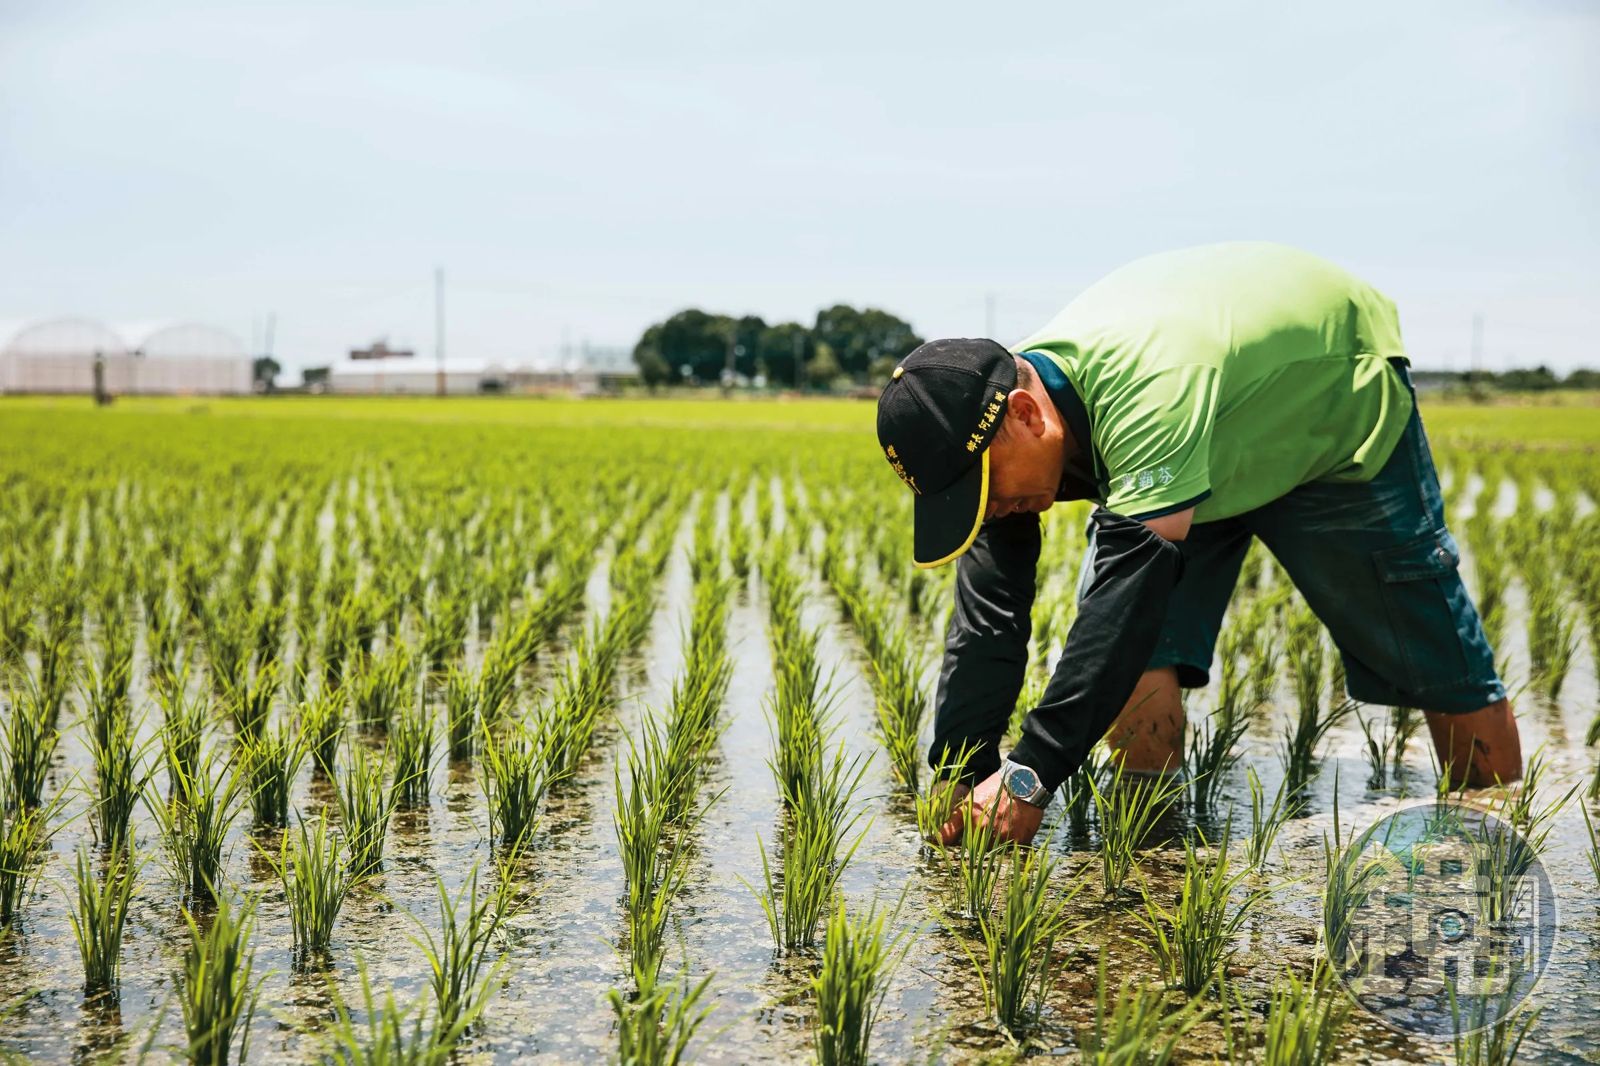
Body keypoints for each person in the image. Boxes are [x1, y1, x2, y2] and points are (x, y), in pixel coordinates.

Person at [874, 242, 1522, 847]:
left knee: (1435, 652)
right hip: (1196, 446)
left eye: (984, 488)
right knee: (1138, 662)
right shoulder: (1000, 424)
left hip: (1330, 418)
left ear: (1025, 413)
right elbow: (991, 614)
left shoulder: (1146, 391)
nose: (987, 508)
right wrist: (962, 762)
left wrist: (1029, 777)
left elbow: (1123, 604)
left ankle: (1492, 836)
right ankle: (1151, 849)